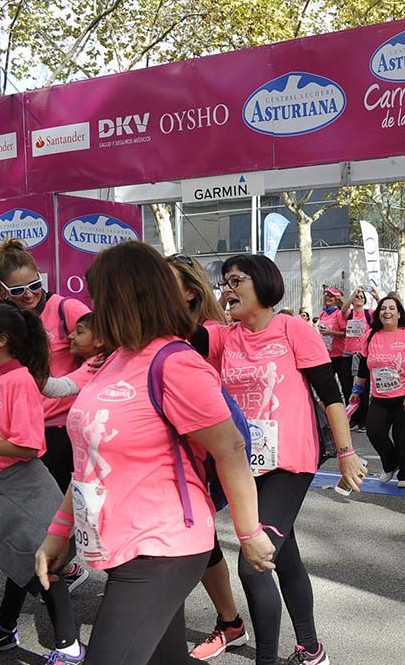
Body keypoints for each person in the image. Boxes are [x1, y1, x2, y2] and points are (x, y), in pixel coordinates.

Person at [33, 242, 276, 664]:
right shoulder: (114, 360)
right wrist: (58, 531)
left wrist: (249, 534)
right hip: (122, 544)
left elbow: (231, 449)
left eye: (100, 297)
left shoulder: (176, 363)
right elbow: (89, 459)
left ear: (127, 298)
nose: (94, 308)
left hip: (164, 547)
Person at [195, 254, 366, 665]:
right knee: (283, 553)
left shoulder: (294, 329)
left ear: (264, 285)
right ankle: (311, 649)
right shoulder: (222, 336)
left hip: (291, 461)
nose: (228, 288)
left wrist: (346, 452)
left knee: (254, 564)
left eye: (237, 280)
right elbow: (173, 338)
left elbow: (331, 395)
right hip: (244, 465)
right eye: (224, 281)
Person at [165, 253, 251, 661]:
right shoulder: (165, 333)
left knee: (195, 537)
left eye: (164, 283)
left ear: (190, 293)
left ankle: (229, 622)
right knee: (199, 538)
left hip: (209, 450)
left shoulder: (207, 334)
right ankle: (230, 622)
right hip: (175, 449)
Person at [0, 239, 90, 592]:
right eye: (19, 290)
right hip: (23, 433)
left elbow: (103, 348)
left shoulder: (67, 308)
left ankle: (62, 570)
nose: (31, 294)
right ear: (2, 290)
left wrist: (63, 386)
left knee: (53, 520)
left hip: (60, 429)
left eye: (36, 284)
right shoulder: (5, 320)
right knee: (34, 527)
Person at [0, 303, 85, 663]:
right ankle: (5, 628)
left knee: (43, 567)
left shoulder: (19, 380)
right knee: (19, 560)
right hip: (4, 486)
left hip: (23, 485)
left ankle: (69, 647)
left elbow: (29, 445)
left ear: (1, 341)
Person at [352, 296, 405, 488]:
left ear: (399, 313)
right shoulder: (370, 335)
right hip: (379, 396)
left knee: (402, 436)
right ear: (378, 313)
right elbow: (362, 368)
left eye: (391, 308)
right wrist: (356, 390)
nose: (387, 312)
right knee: (375, 433)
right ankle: (390, 464)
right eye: (383, 308)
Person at [341, 287, 376, 432]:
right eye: (357, 296)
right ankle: (353, 418)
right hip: (347, 353)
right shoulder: (350, 313)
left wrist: (376, 296)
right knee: (348, 387)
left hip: (361, 354)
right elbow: (343, 310)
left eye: (362, 296)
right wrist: (352, 295)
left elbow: (381, 311)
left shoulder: (369, 313)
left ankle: (364, 421)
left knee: (362, 388)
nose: (359, 298)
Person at [318, 288, 348, 398]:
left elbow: (346, 334)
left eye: (331, 296)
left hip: (340, 355)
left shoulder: (339, 314)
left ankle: (348, 410)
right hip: (327, 355)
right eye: (327, 295)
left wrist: (331, 332)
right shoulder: (322, 314)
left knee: (345, 385)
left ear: (337, 300)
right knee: (329, 385)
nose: (328, 298)